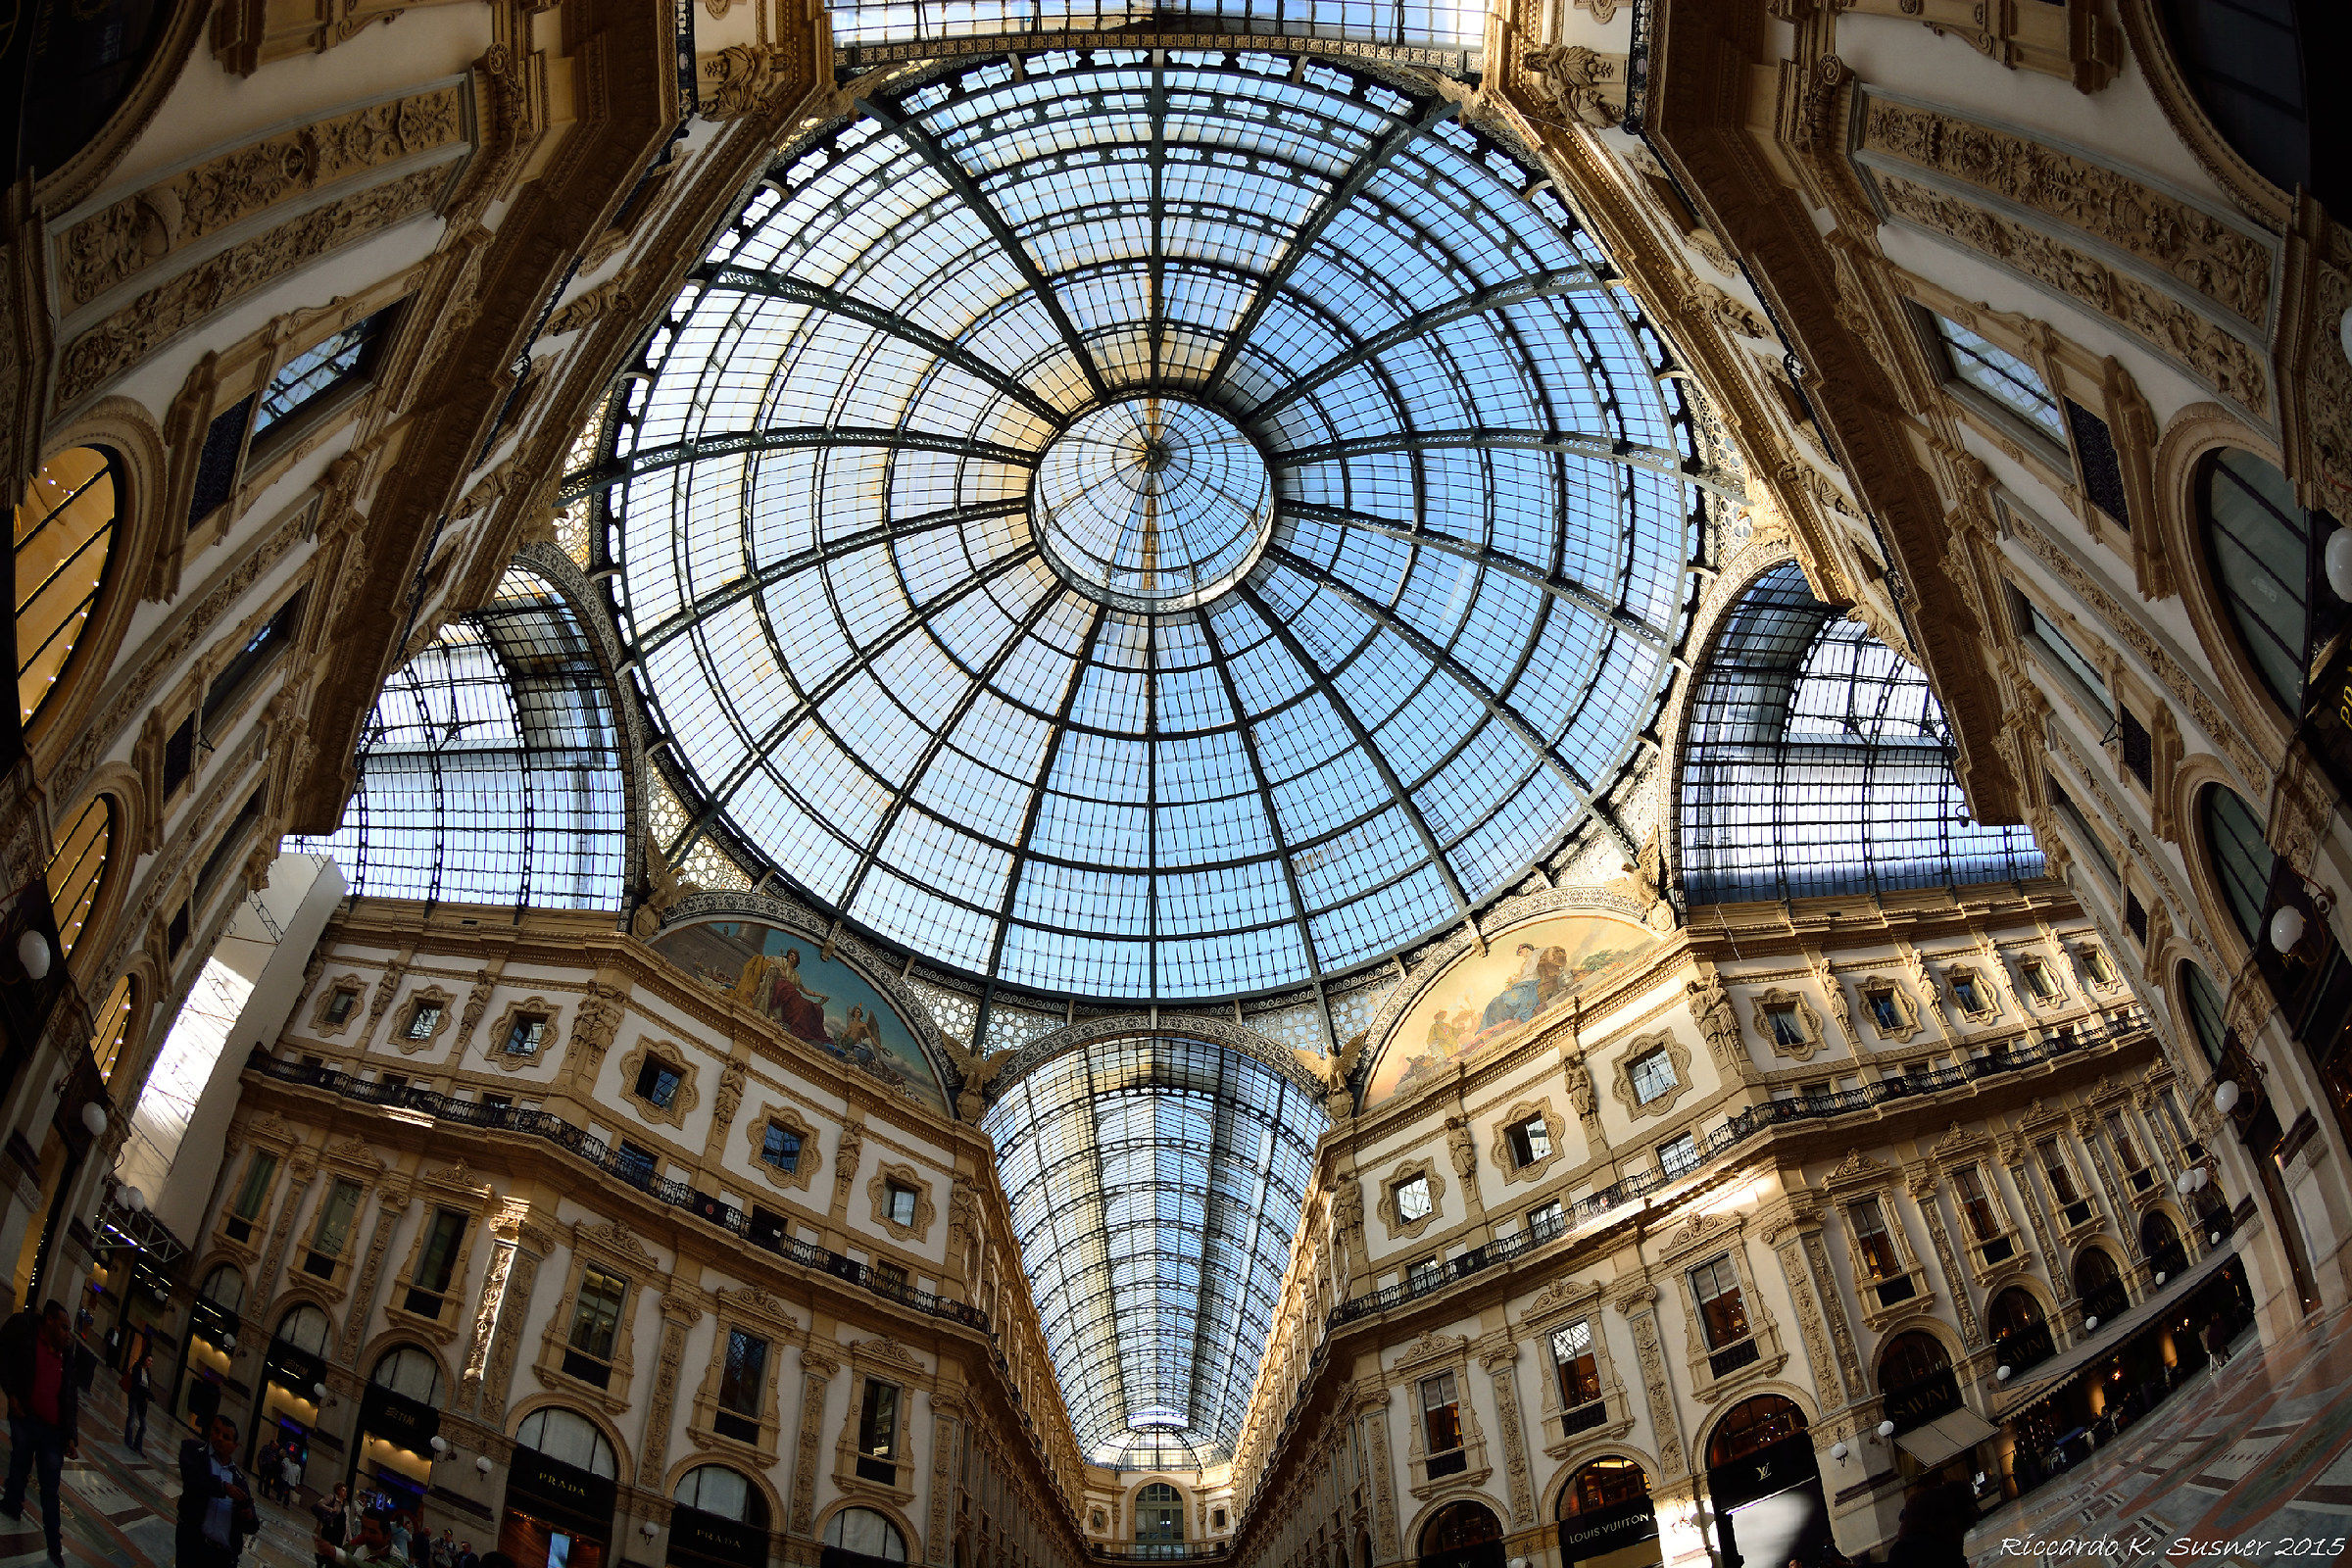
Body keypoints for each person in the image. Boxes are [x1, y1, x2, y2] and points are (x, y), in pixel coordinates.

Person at [0, 1299, 82, 1567]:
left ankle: (54, 1544)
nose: (67, 1334)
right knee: (19, 1461)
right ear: (48, 1321)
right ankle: (12, 1503)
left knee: (50, 1488)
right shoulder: (25, 1333)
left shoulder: (67, 1354)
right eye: (63, 1327)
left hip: (53, 1432)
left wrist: (71, 1435)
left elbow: (70, 1396)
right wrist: (12, 1394)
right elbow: (5, 1358)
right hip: (26, 1417)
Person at [177, 1413, 259, 1568]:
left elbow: (252, 1525)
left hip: (222, 1558)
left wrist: (248, 1516)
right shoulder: (193, 1450)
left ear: (234, 1446)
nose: (219, 1438)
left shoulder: (239, 1480)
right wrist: (223, 1488)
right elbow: (192, 1479)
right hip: (192, 1546)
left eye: (226, 1437)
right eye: (216, 1431)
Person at [318, 1506, 405, 1566]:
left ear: (387, 1536)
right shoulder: (355, 1546)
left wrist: (337, 1554)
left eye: (373, 1532)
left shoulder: (397, 1561)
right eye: (363, 1528)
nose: (366, 1535)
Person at [121, 1347, 152, 1454]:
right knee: (132, 1419)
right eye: (149, 1360)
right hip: (135, 1397)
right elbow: (136, 1382)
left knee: (143, 1425)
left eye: (151, 1361)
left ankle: (138, 1444)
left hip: (142, 1401)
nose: (150, 1363)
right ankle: (128, 1441)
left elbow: (148, 1387)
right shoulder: (137, 1368)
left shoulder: (148, 1374)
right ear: (144, 1360)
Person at [316, 1484, 351, 1568]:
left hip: (339, 1534)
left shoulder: (346, 1505)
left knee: (333, 1555)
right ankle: (321, 1561)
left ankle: (323, 1561)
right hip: (330, 1530)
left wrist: (350, 1538)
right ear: (338, 1490)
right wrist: (330, 1509)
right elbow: (320, 1503)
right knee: (328, 1551)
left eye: (346, 1491)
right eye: (343, 1490)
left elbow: (347, 1522)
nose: (345, 1492)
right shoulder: (332, 1498)